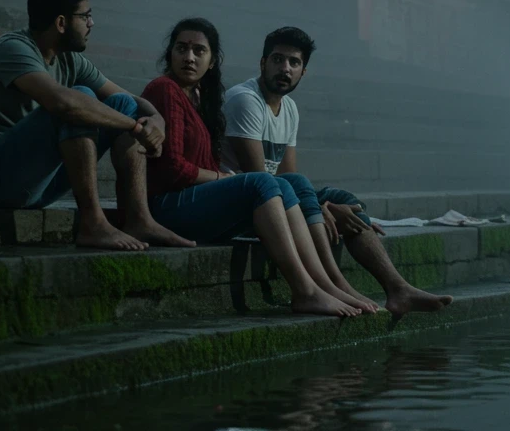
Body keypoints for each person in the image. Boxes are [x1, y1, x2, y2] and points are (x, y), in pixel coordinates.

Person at [0, 0, 194, 251]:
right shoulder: (13, 49)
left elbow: (132, 100)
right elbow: (63, 103)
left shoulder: (70, 59)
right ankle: (93, 223)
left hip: (39, 183)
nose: (92, 23)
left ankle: (139, 219)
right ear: (61, 23)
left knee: (122, 105)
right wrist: (134, 127)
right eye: (85, 16)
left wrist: (157, 120)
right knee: (79, 99)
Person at [223, 27, 453, 319]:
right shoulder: (245, 100)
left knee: (345, 202)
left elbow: (287, 175)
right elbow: (261, 178)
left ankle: (398, 289)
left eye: (294, 62)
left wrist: (326, 206)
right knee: (310, 193)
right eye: (278, 59)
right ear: (263, 63)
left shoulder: (289, 108)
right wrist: (320, 208)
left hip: (276, 195)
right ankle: (336, 285)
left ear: (303, 72)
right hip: (247, 204)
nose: (285, 68)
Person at [140, 18, 362, 317]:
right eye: (182, 49)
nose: (189, 57)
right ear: (170, 54)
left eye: (199, 51)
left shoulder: (200, 96)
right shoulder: (165, 89)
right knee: (261, 181)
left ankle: (329, 284)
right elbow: (172, 169)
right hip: (167, 206)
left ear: (211, 60)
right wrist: (223, 178)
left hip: (195, 202)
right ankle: (305, 291)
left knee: (292, 182)